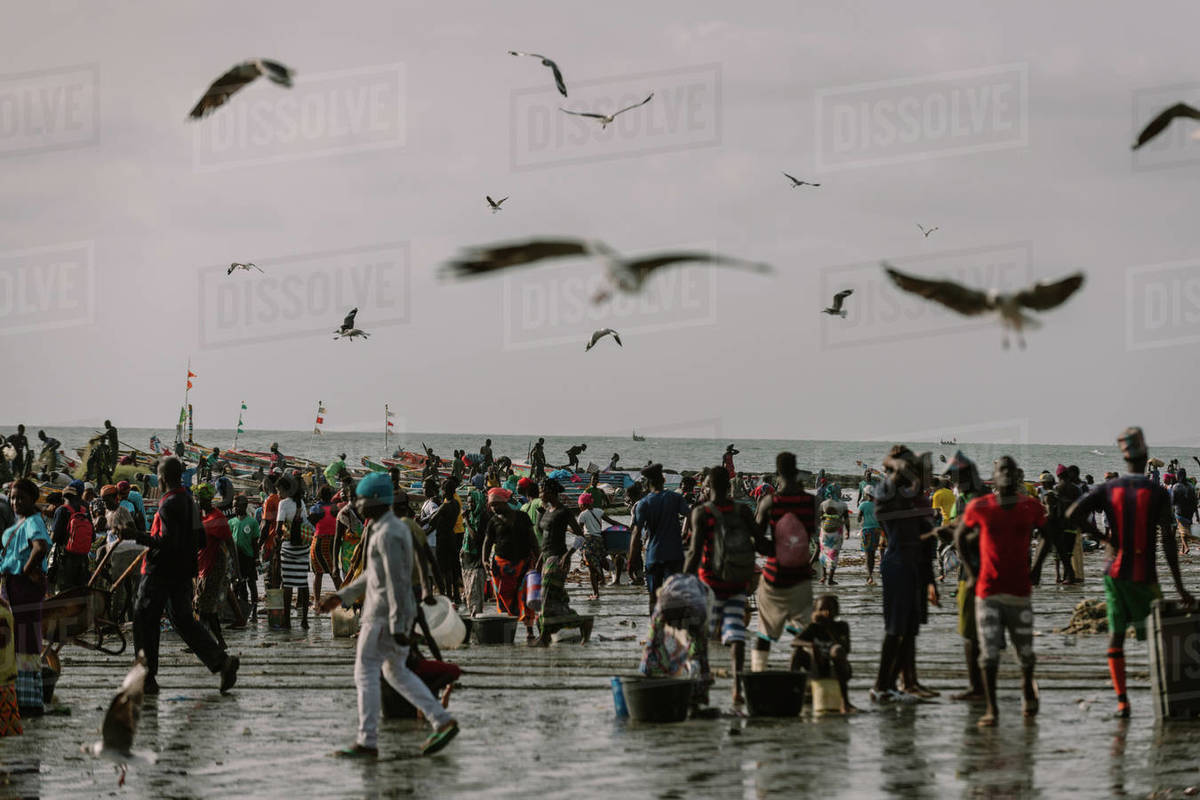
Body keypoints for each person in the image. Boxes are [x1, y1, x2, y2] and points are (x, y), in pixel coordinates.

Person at [319, 472, 459, 758]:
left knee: (365, 673)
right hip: (391, 613)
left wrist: (396, 624)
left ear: (374, 501)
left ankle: (367, 741)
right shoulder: (387, 529)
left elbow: (395, 579)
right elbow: (374, 573)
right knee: (394, 671)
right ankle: (442, 721)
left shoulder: (387, 533)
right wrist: (341, 596)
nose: (355, 505)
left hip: (383, 616)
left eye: (359, 499)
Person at [1068, 427, 1195, 718]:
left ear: (1124, 458)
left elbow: (1072, 514)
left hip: (1113, 573)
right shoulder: (1157, 493)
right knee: (1160, 638)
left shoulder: (1110, 488)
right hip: (1144, 575)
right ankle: (1171, 697)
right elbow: (1166, 542)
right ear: (1146, 455)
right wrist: (1179, 586)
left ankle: (1123, 702)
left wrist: (1102, 538)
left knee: (1116, 637)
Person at [121, 456, 239, 694]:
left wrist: (135, 534)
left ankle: (147, 677)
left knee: (144, 618)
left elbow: (165, 542)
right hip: (184, 572)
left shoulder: (167, 504)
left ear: (162, 478)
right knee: (183, 620)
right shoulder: (190, 502)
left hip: (160, 571)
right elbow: (200, 540)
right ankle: (221, 661)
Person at [953, 456, 1047, 727]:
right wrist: (971, 574)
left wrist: (1038, 567)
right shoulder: (979, 507)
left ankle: (1027, 685)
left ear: (1016, 475)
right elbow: (960, 536)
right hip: (987, 591)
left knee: (1025, 653)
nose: (1005, 474)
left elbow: (1047, 534)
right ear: (993, 475)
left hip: (1019, 591)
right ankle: (992, 709)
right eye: (1000, 469)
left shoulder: (1031, 506)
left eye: (1009, 470)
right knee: (989, 654)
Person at [685, 465, 763, 705]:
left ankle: (702, 683)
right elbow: (760, 543)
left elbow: (695, 553)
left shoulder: (702, 512)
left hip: (709, 585)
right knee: (736, 634)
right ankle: (737, 688)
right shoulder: (742, 511)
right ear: (729, 486)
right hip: (738, 582)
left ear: (707, 488)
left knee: (700, 634)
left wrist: (682, 579)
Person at [871, 445, 937, 704]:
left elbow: (921, 537)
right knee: (895, 630)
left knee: (908, 630)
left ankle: (893, 686)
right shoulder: (889, 494)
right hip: (897, 565)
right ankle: (880, 686)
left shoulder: (910, 497)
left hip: (911, 566)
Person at [751, 452, 817, 672]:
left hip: (774, 578)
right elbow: (808, 534)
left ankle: (758, 674)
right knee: (805, 633)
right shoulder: (810, 501)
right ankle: (804, 679)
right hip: (800, 577)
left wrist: (774, 549)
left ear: (778, 472)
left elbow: (757, 541)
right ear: (797, 471)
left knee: (765, 633)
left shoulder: (770, 502)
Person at [1, 479, 50, 716]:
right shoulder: (22, 521)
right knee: (16, 640)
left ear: (32, 499)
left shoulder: (32, 521)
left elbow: (40, 547)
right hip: (13, 585)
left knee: (25, 640)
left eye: (20, 497)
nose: (15, 502)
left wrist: (25, 571)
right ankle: (19, 697)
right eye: (12, 497)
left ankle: (27, 701)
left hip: (22, 587)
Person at [628, 463, 690, 614]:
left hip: (653, 554)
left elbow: (636, 534)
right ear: (663, 480)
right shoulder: (676, 498)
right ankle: (675, 630)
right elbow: (691, 517)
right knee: (675, 597)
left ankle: (655, 631)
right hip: (674, 554)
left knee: (653, 598)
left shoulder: (643, 503)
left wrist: (631, 560)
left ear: (647, 483)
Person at [481, 488, 539, 642]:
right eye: (491, 506)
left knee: (526, 598)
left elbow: (532, 539)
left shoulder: (522, 517)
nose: (494, 508)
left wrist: (539, 559)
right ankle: (508, 633)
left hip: (524, 564)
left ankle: (529, 631)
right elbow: (487, 543)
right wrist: (485, 560)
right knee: (504, 599)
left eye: (496, 505)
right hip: (501, 567)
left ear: (504, 502)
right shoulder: (493, 521)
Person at [534, 479, 584, 644]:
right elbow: (544, 536)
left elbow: (580, 535)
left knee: (546, 597)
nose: (540, 494)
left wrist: (568, 554)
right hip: (547, 557)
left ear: (549, 491)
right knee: (556, 599)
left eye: (541, 491)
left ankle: (544, 636)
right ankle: (581, 623)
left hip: (558, 558)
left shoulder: (564, 512)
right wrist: (540, 559)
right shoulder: (547, 510)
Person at [194, 484, 240, 647]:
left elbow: (230, 544)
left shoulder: (217, 517)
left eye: (203, 498)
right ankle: (218, 641)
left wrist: (236, 569)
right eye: (199, 498)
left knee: (203, 606)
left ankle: (203, 641)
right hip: (201, 564)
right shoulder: (199, 515)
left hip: (214, 565)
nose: (200, 501)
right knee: (204, 606)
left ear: (209, 499)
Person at [794, 594, 855, 713]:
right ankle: (795, 693)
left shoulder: (841, 626)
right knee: (798, 653)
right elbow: (795, 641)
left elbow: (846, 649)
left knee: (837, 650)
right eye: (821, 609)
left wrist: (828, 627)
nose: (825, 612)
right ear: (815, 612)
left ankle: (845, 702)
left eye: (829, 609)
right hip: (817, 667)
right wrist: (811, 645)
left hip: (837, 670)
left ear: (836, 611)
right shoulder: (813, 627)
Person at [1032, 472, 1076, 585]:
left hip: (1050, 528)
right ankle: (1071, 576)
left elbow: (1050, 514)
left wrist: (1039, 522)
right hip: (1059, 527)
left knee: (1040, 555)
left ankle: (1034, 579)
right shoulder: (1057, 494)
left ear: (1044, 483)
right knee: (1063, 555)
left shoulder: (1048, 496)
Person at [50, 480, 93, 591]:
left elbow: (54, 538)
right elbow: (92, 537)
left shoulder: (62, 510)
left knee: (62, 592)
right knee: (78, 592)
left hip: (64, 558)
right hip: (82, 559)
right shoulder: (85, 511)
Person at [576, 493, 620, 600]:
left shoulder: (583, 514)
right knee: (600, 560)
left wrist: (567, 529)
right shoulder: (599, 511)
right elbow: (611, 522)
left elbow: (578, 531)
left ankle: (596, 593)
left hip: (589, 542)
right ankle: (608, 572)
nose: (579, 507)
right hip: (600, 541)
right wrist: (624, 526)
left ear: (583, 504)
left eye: (580, 505)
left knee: (591, 568)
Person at [229, 494, 261, 619]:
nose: (235, 508)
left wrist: (257, 558)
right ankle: (239, 611)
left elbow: (255, 543)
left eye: (238, 506)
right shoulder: (231, 522)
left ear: (244, 506)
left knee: (251, 583)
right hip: (236, 559)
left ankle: (254, 611)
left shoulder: (252, 522)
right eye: (234, 506)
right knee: (237, 585)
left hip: (248, 557)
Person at [308, 486, 339, 608]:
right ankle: (344, 600)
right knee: (334, 573)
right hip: (333, 542)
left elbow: (311, 522)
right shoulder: (336, 508)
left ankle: (316, 601)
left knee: (318, 573)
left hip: (319, 542)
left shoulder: (315, 509)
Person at [818, 494, 850, 585]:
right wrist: (848, 531)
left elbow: (819, 518)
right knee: (834, 554)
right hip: (837, 532)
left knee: (823, 552)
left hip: (824, 531)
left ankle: (824, 576)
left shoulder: (823, 504)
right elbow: (846, 519)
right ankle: (830, 579)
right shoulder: (843, 504)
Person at [857, 486, 882, 585]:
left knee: (868, 555)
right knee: (873, 553)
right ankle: (871, 575)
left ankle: (870, 576)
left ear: (867, 495)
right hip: (877, 530)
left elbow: (858, 518)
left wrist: (862, 518)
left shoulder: (863, 505)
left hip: (866, 530)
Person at [1171, 467, 1198, 555]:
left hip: (1180, 512)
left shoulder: (1176, 487)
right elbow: (1195, 501)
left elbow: (1173, 501)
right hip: (1190, 513)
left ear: (1178, 476)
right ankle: (1182, 550)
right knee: (1184, 529)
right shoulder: (1191, 486)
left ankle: (1186, 547)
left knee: (1182, 531)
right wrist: (1197, 515)